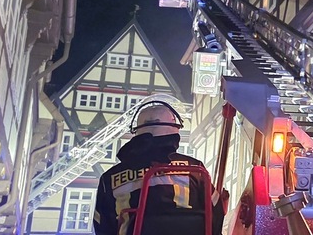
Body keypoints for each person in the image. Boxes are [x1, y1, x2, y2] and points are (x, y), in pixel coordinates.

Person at [93, 100, 224, 235]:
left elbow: (102, 225)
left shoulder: (109, 178)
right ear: (173, 130)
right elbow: (215, 212)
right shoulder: (195, 169)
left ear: (137, 131)